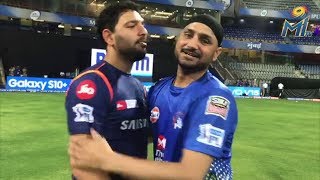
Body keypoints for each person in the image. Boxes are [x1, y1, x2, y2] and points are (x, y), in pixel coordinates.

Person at [69, 14, 238, 180]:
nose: (193, 44)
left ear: (216, 53)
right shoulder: (159, 89)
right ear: (178, 39)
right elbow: (144, 132)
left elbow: (191, 174)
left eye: (205, 40)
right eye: (188, 34)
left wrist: (108, 159)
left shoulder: (216, 98)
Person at [65, 1, 149, 179]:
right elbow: (85, 165)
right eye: (132, 25)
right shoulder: (92, 83)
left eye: (143, 24)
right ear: (109, 37)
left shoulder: (137, 86)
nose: (143, 31)